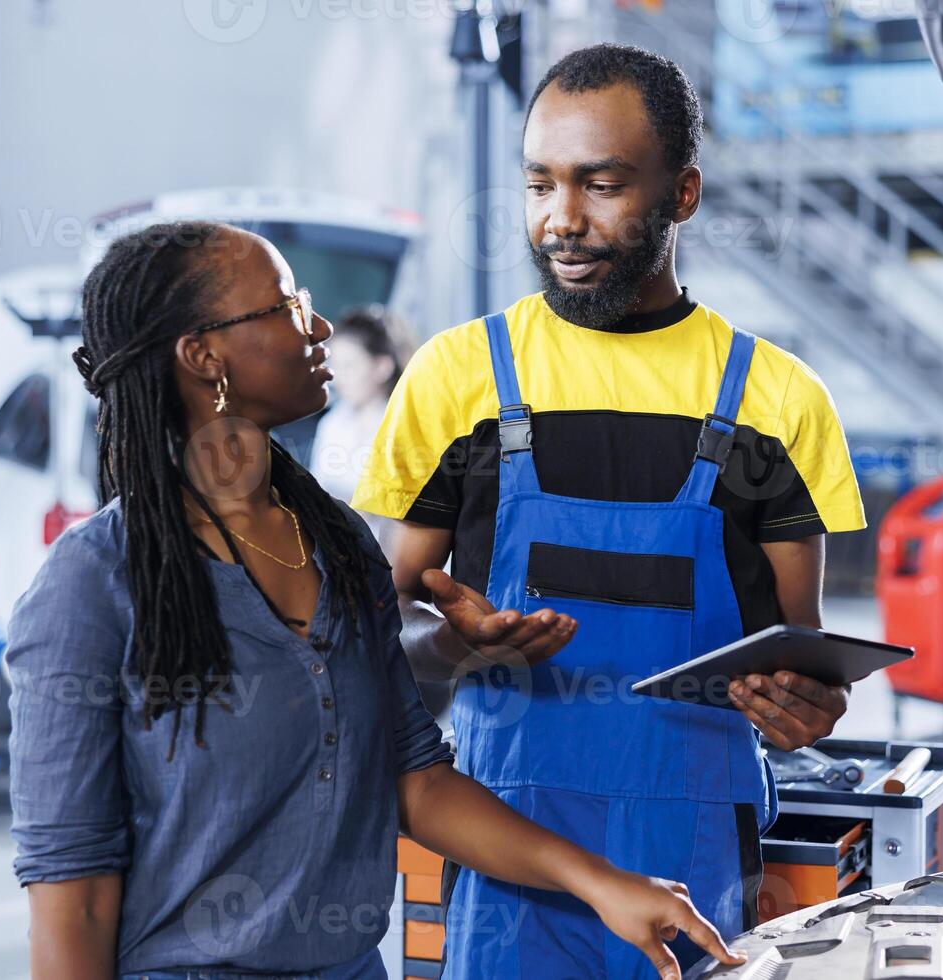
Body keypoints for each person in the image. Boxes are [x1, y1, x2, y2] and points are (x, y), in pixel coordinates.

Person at [5, 220, 747, 980]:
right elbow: (75, 898)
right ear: (205, 358)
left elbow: (417, 780)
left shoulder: (336, 544)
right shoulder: (94, 585)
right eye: (288, 306)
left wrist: (604, 884)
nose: (320, 325)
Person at [351, 45, 866, 978]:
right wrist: (461, 645)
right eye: (540, 184)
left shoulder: (780, 402)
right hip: (508, 841)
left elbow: (802, 660)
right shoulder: (456, 379)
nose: (562, 221)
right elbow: (384, 635)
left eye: (602, 185)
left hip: (697, 846)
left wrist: (807, 710)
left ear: (683, 194)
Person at [308, 305, 408, 553]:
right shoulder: (332, 423)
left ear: (382, 367)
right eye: (336, 366)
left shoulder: (403, 426)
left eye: (350, 366)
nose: (337, 378)